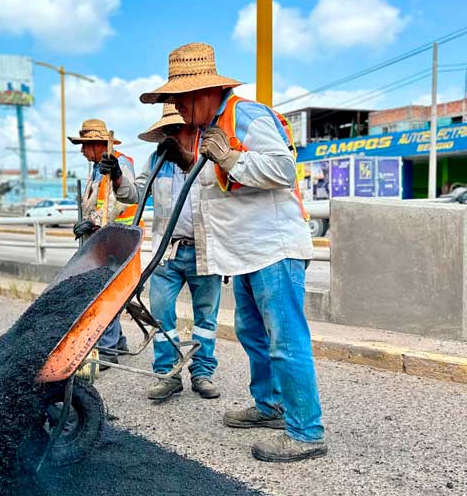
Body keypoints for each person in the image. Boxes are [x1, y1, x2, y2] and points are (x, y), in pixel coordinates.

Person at [139, 43, 326, 462]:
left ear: (202, 92)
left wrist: (229, 156)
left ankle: (307, 431)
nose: (177, 109)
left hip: (272, 250)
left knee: (285, 339)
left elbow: (280, 169)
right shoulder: (211, 127)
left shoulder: (247, 115)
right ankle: (270, 407)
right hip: (244, 255)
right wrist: (190, 158)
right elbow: (213, 178)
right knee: (254, 335)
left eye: (179, 100)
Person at [114, 104, 222, 400]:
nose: (172, 135)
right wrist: (117, 178)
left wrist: (186, 159)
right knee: (161, 315)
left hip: (205, 250)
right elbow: (134, 194)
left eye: (177, 128)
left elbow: (220, 188)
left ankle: (202, 372)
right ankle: (168, 373)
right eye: (168, 130)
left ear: (193, 127)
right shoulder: (156, 160)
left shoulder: (209, 155)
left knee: (206, 318)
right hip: (167, 252)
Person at [68, 118, 137, 367]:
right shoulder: (95, 169)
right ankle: (117, 341)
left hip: (118, 240)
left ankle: (107, 350)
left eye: (85, 145)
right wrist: (86, 221)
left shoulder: (120, 163)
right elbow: (95, 201)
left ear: (98, 144)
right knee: (102, 292)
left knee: (106, 294)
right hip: (100, 240)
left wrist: (93, 221)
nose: (82, 150)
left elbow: (122, 200)